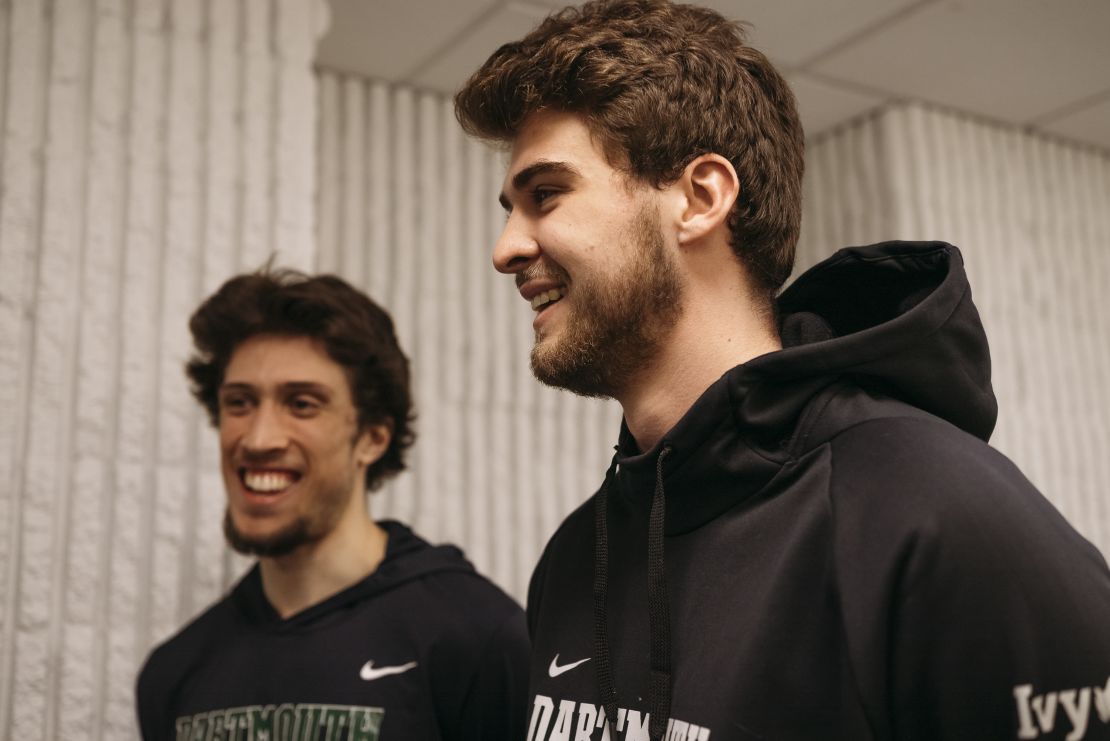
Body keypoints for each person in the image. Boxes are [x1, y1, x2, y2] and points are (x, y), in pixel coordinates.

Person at [454, 1, 1110, 739]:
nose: (506, 247)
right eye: (511, 208)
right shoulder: (576, 557)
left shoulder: (935, 514)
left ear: (701, 198)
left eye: (546, 195)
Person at [135, 269, 529, 741]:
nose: (258, 439)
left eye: (301, 404)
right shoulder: (174, 674)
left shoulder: (479, 641)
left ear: (371, 437)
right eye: (239, 403)